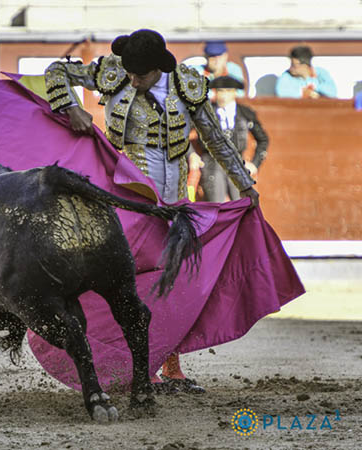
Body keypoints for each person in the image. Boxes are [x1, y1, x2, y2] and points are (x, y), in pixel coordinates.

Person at [44, 29, 258, 394]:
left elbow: (214, 139)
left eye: (139, 75)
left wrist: (245, 184)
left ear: (159, 68)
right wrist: (71, 106)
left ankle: (169, 366)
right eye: (129, 73)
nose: (131, 80)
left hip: (174, 201)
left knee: (172, 281)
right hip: (124, 195)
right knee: (120, 278)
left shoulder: (187, 84)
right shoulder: (112, 72)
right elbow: (55, 72)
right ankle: (125, 362)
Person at [200, 76, 269, 202]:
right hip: (212, 163)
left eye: (228, 91)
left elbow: (263, 139)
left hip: (237, 162)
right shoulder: (206, 112)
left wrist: (255, 164)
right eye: (220, 91)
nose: (223, 96)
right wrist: (192, 155)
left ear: (234, 92)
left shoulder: (245, 113)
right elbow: (185, 133)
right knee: (216, 207)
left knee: (242, 206)